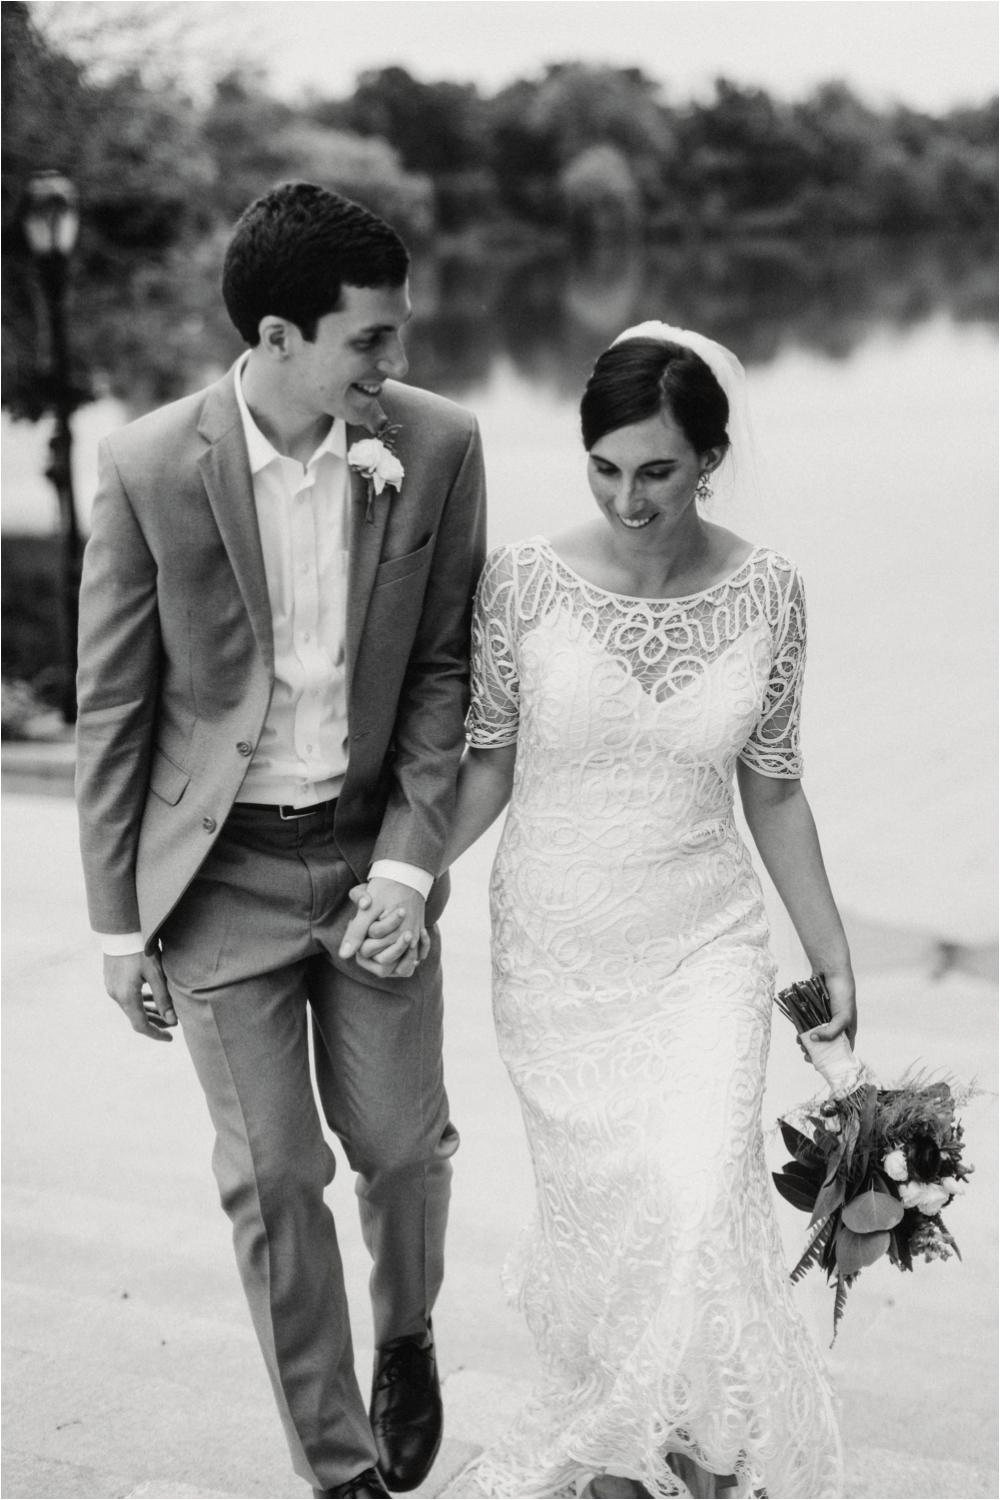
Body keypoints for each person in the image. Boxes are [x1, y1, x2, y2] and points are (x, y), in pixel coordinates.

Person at [375, 322, 853, 1497]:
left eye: (659, 470)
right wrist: (407, 876)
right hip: (559, 947)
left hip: (706, 943)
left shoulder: (770, 590)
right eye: (605, 467)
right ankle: (637, 1445)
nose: (630, 497)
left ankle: (672, 1449)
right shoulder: (525, 583)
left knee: (698, 1189)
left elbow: (776, 787)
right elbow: (486, 760)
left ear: (710, 458)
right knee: (609, 1214)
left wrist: (829, 958)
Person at [75, 182, 486, 1500]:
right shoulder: (147, 468)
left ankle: (407, 1336)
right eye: (371, 340)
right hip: (217, 878)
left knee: (400, 1147)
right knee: (273, 1173)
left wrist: (411, 868)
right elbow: (116, 704)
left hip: (372, 856)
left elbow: (441, 673)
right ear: (279, 335)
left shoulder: (438, 446)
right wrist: (113, 922)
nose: (395, 363)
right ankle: (339, 1471)